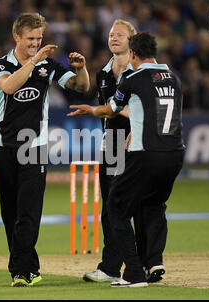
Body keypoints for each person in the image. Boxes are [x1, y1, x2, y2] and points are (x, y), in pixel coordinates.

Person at [68, 32, 185, 287]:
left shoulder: (132, 78)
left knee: (116, 208)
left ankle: (132, 272)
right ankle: (151, 260)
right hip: (175, 153)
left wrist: (91, 110)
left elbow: (111, 109)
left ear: (132, 53)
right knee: (153, 205)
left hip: (145, 154)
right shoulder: (174, 78)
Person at [0, 12, 90, 287]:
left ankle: (20, 271)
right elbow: (10, 87)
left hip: (34, 148)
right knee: (10, 213)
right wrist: (34, 61)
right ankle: (28, 266)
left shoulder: (48, 66)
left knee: (29, 212)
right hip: (4, 146)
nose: (36, 43)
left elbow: (81, 87)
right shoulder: (1, 65)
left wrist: (81, 68)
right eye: (31, 38)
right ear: (16, 37)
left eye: (39, 38)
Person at [82, 19, 136, 283]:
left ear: (131, 41)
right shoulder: (103, 73)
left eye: (120, 35)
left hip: (137, 144)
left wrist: (134, 126)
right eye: (111, 34)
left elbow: (147, 108)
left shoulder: (139, 71)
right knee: (111, 207)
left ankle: (144, 263)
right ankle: (111, 267)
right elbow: (106, 111)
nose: (114, 38)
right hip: (113, 145)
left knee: (140, 206)